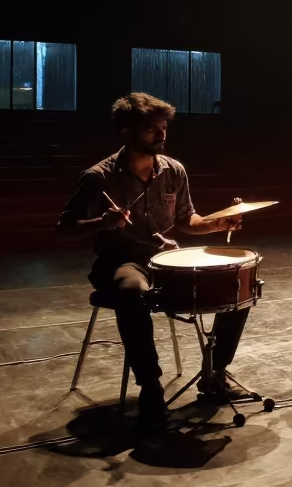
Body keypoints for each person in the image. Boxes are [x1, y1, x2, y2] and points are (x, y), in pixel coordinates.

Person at [56, 93, 245, 429]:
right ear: (127, 132)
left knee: (236, 280)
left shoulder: (173, 170)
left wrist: (219, 222)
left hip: (166, 260)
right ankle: (150, 386)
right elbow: (64, 230)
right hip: (122, 262)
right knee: (133, 291)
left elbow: (187, 220)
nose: (161, 134)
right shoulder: (98, 177)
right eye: (151, 129)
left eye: (164, 127)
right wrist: (103, 222)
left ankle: (214, 372)